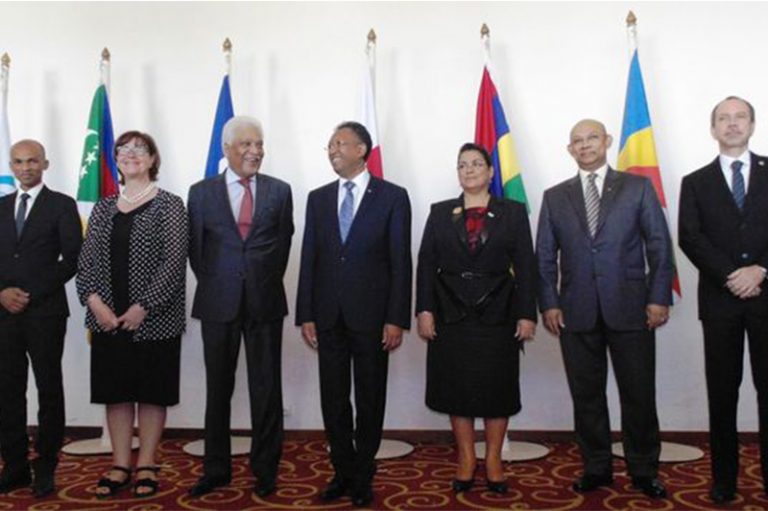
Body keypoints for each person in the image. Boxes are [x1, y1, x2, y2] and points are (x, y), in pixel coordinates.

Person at [536, 119, 674, 498]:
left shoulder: (637, 187)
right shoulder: (555, 196)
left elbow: (659, 245)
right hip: (575, 311)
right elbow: (544, 256)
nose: (585, 145)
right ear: (570, 149)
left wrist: (658, 297)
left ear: (607, 141)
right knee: (587, 396)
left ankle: (643, 470)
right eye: (577, 141)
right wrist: (549, 303)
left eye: (592, 138)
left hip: (632, 308)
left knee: (638, 394)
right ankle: (596, 467)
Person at [296, 121, 411, 507]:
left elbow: (400, 261)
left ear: (361, 150)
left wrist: (396, 317)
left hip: (374, 318)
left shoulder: (393, 197)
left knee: (370, 397)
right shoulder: (318, 198)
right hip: (327, 315)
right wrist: (306, 313)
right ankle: (341, 471)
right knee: (333, 399)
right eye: (329, 145)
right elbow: (309, 257)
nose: (332, 150)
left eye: (339, 143)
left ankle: (363, 474)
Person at [415, 143, 536, 494]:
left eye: (476, 164)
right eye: (462, 165)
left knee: (497, 388)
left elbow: (526, 266)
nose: (468, 170)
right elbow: (425, 264)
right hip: (450, 313)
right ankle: (466, 458)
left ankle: (493, 458)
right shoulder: (440, 212)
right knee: (457, 388)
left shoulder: (512, 212)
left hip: (498, 313)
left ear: (490, 171)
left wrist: (526, 314)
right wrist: (425, 310)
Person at [77, 131, 188, 499]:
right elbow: (86, 261)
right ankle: (121, 463)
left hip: (155, 319)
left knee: (153, 393)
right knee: (117, 393)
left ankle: (147, 464)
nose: (131, 154)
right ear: (116, 161)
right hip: (108, 320)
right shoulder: (104, 206)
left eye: (140, 149)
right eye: (123, 149)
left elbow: (173, 262)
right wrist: (95, 302)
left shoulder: (170, 205)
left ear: (153, 159)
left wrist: (144, 307)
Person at [187, 116, 293, 499]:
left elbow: (282, 245)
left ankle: (266, 470)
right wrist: (223, 281)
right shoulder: (201, 193)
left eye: (259, 144)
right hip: (218, 302)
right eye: (246, 144)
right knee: (218, 389)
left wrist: (258, 279)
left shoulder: (280, 191)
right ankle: (216, 469)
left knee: (267, 390)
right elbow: (196, 251)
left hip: (265, 301)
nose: (255, 151)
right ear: (227, 149)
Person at [679, 96, 768, 504]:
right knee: (722, 393)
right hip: (720, 301)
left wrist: (760, 269)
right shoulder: (695, 182)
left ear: (752, 125)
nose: (732, 124)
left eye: (740, 117)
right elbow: (690, 236)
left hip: (765, 296)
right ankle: (724, 481)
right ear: (713, 128)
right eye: (724, 118)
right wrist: (733, 276)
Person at [0, 140, 82, 498]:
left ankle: (46, 465)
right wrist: (2, 293)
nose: (26, 168)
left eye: (32, 161)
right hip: (3, 313)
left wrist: (28, 292)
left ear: (45, 164)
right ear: (11, 166)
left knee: (49, 388)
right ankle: (15, 466)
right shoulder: (1, 206)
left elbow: (72, 259)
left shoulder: (61, 205)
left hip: (45, 312)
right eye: (18, 162)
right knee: (7, 390)